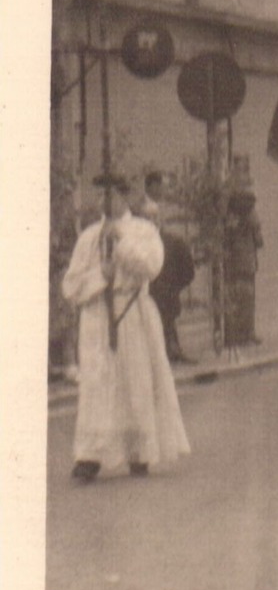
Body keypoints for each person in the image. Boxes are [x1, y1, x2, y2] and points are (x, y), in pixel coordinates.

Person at [61, 172, 191, 481]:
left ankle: (139, 451)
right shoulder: (88, 236)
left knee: (134, 379)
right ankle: (90, 455)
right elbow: (71, 285)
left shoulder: (143, 230)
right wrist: (100, 278)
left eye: (111, 196)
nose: (104, 202)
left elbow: (151, 267)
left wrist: (121, 247)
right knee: (97, 383)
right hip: (96, 315)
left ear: (123, 196)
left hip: (131, 311)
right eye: (99, 196)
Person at [141, 178, 196, 364]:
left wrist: (175, 286)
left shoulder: (171, 242)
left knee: (165, 326)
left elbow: (188, 269)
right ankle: (169, 352)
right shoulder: (141, 243)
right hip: (158, 295)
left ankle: (170, 352)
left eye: (152, 218)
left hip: (161, 294)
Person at [222, 188, 263, 346]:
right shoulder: (251, 218)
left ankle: (237, 334)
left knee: (236, 299)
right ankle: (246, 333)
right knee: (246, 300)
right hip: (245, 264)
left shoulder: (229, 219)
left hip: (234, 264)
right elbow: (259, 242)